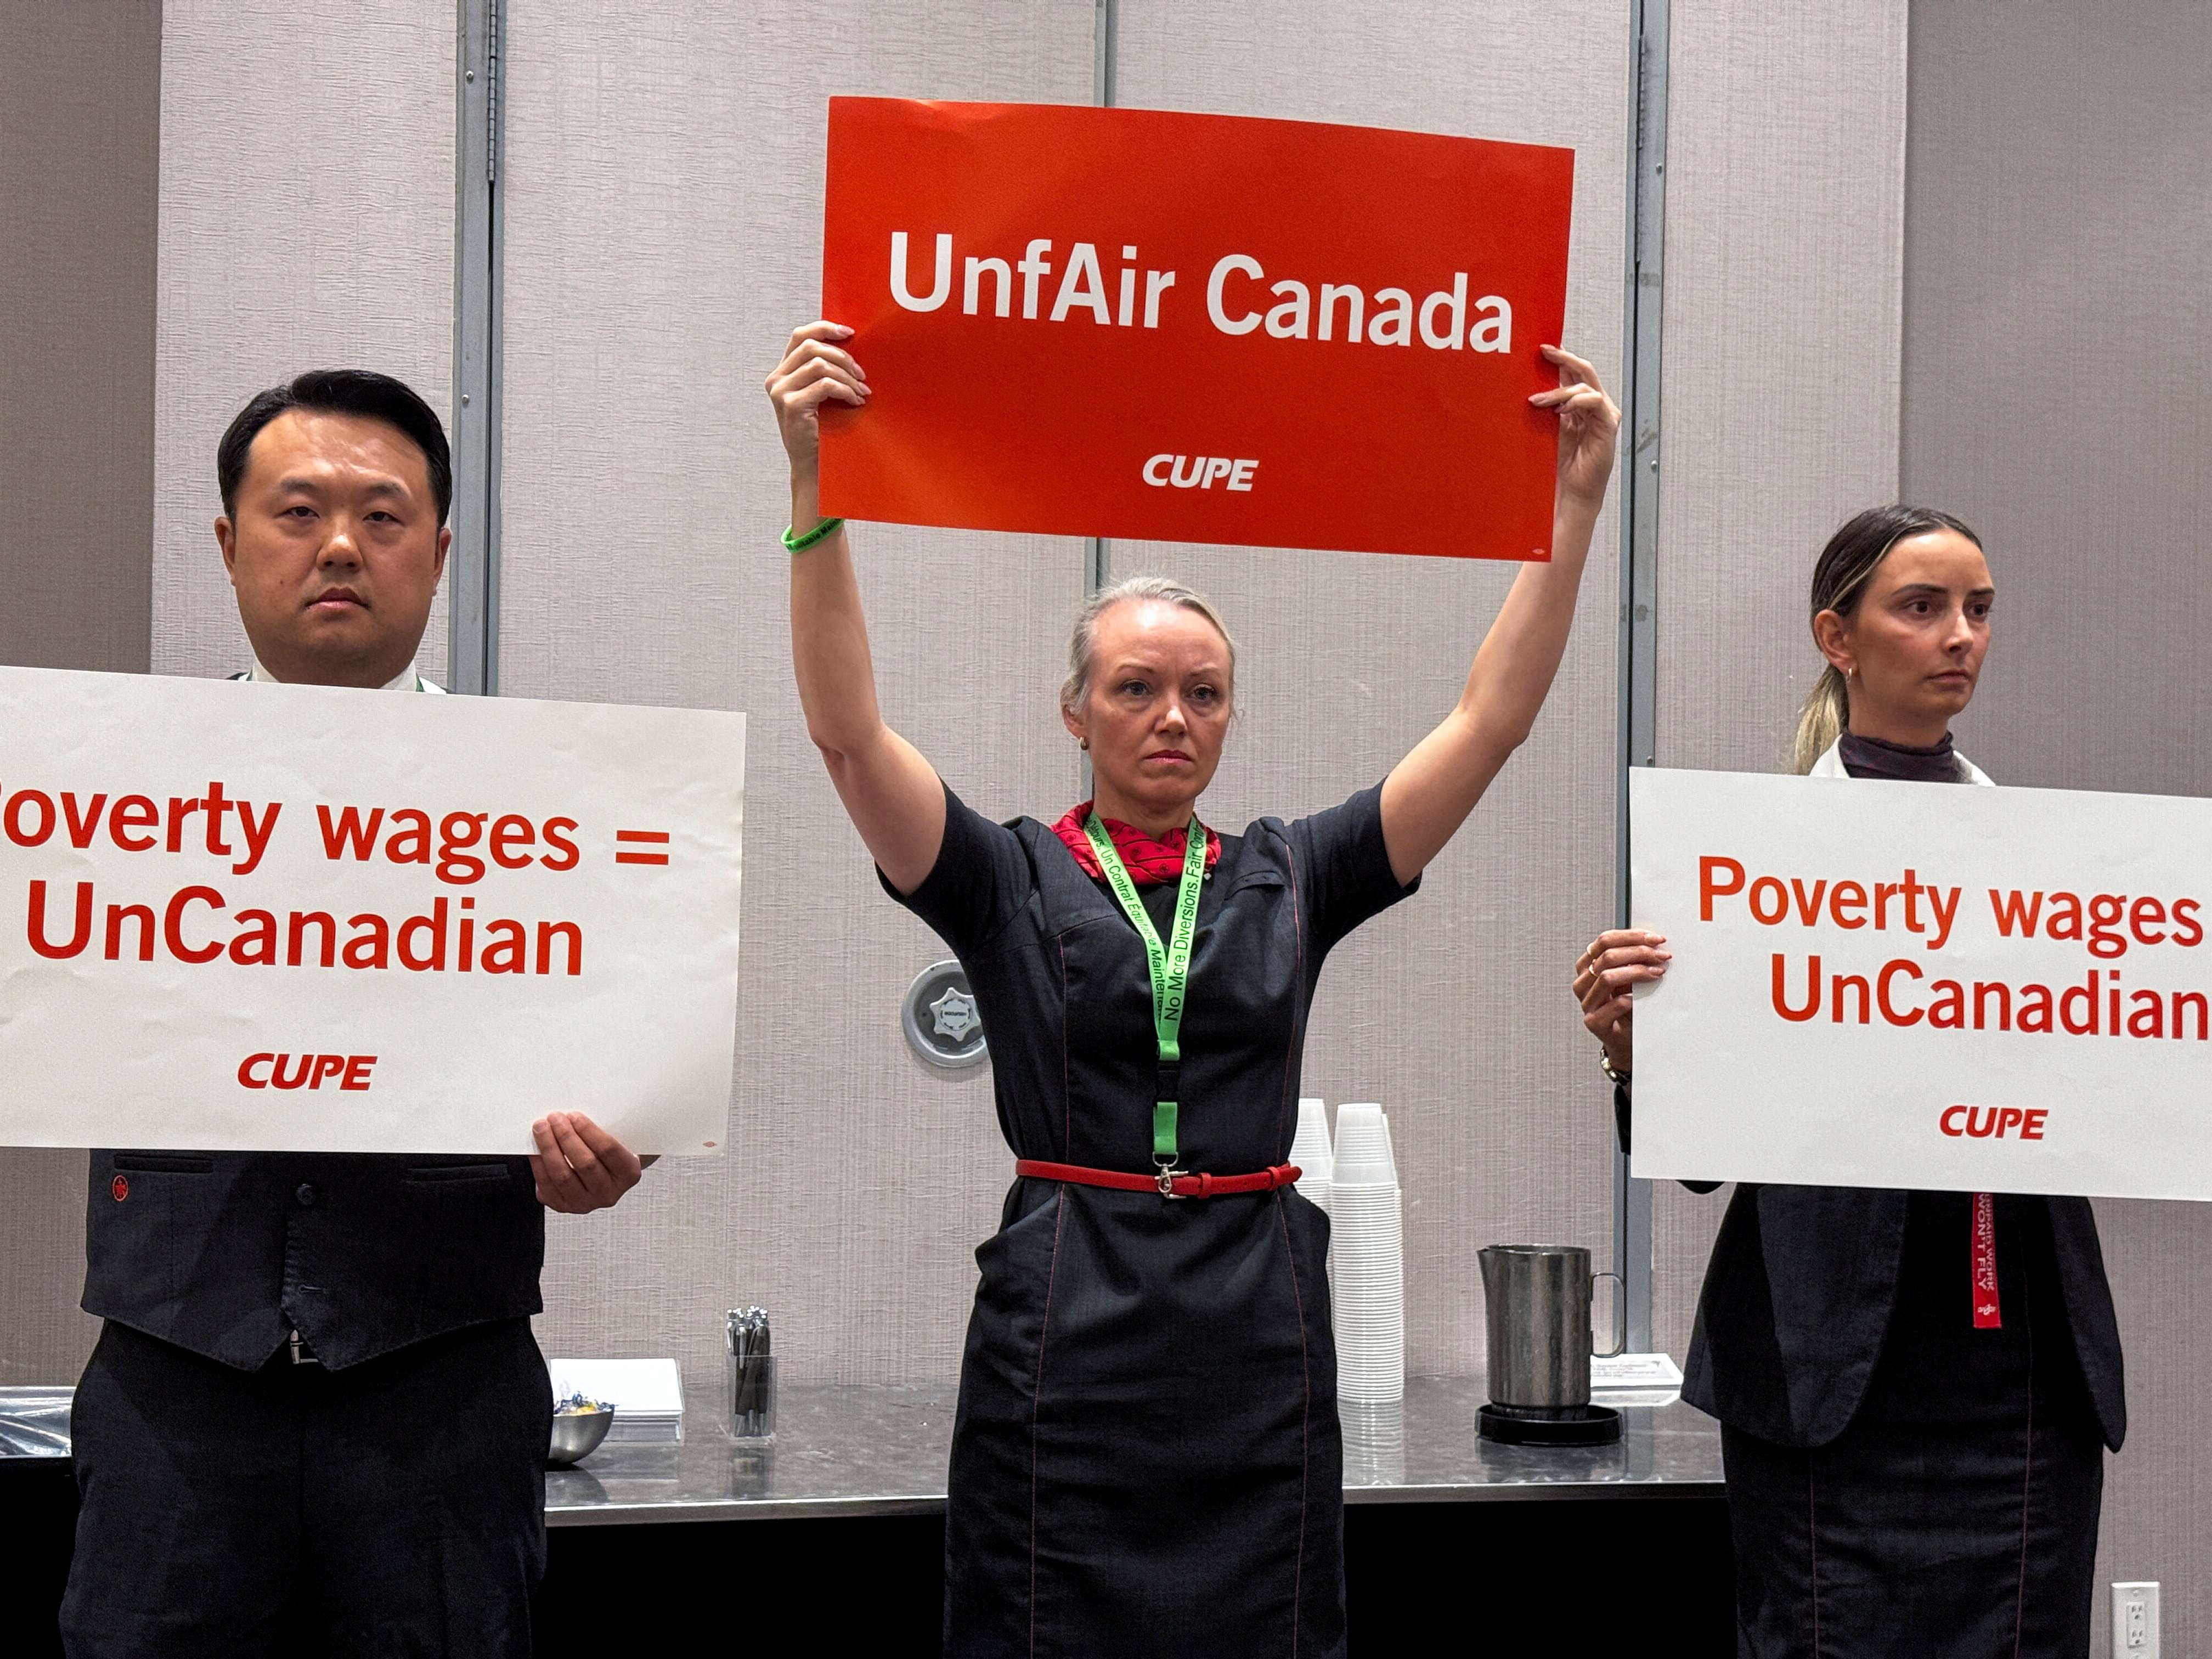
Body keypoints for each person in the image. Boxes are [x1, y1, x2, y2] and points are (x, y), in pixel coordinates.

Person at [767, 319, 1619, 1656]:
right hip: (1068, 1313)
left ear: (1231, 715)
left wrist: (1570, 510)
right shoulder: (1004, 875)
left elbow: (1488, 722)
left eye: (1205, 693)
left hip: (1255, 1322)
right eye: (1138, 687)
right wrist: (817, 493)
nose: (1175, 715)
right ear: (1077, 712)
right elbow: (845, 730)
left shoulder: (1297, 872)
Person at [59, 369, 650, 1658]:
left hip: (445, 1393)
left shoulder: (552, 814)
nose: (340, 546)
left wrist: (621, 1137)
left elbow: (626, 1063)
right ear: (227, 546)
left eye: (384, 518)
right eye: (298, 511)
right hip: (174, 1387)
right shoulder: (100, 796)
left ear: (439, 554)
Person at [1573, 505, 2126, 1658]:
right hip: (1828, 1364)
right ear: (1839, 634)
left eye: (1978, 610)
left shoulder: (2063, 865)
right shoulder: (1747, 859)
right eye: (1921, 608)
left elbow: (2111, 1083)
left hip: (2020, 1357)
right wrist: (1636, 1052)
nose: (1959, 636)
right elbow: (1701, 1165)